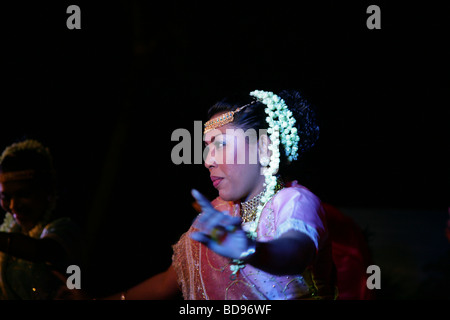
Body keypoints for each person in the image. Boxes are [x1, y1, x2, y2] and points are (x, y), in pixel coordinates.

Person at [98, 89, 336, 300]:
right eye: (207, 147)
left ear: (265, 147)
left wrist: (251, 250)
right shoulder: (219, 213)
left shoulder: (294, 201)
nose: (207, 161)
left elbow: (295, 251)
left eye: (220, 144)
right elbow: (164, 285)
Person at [0, 139, 81, 299]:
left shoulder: (65, 230)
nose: (13, 205)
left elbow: (42, 251)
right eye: (5, 197)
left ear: (47, 191)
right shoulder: (10, 231)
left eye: (24, 195)